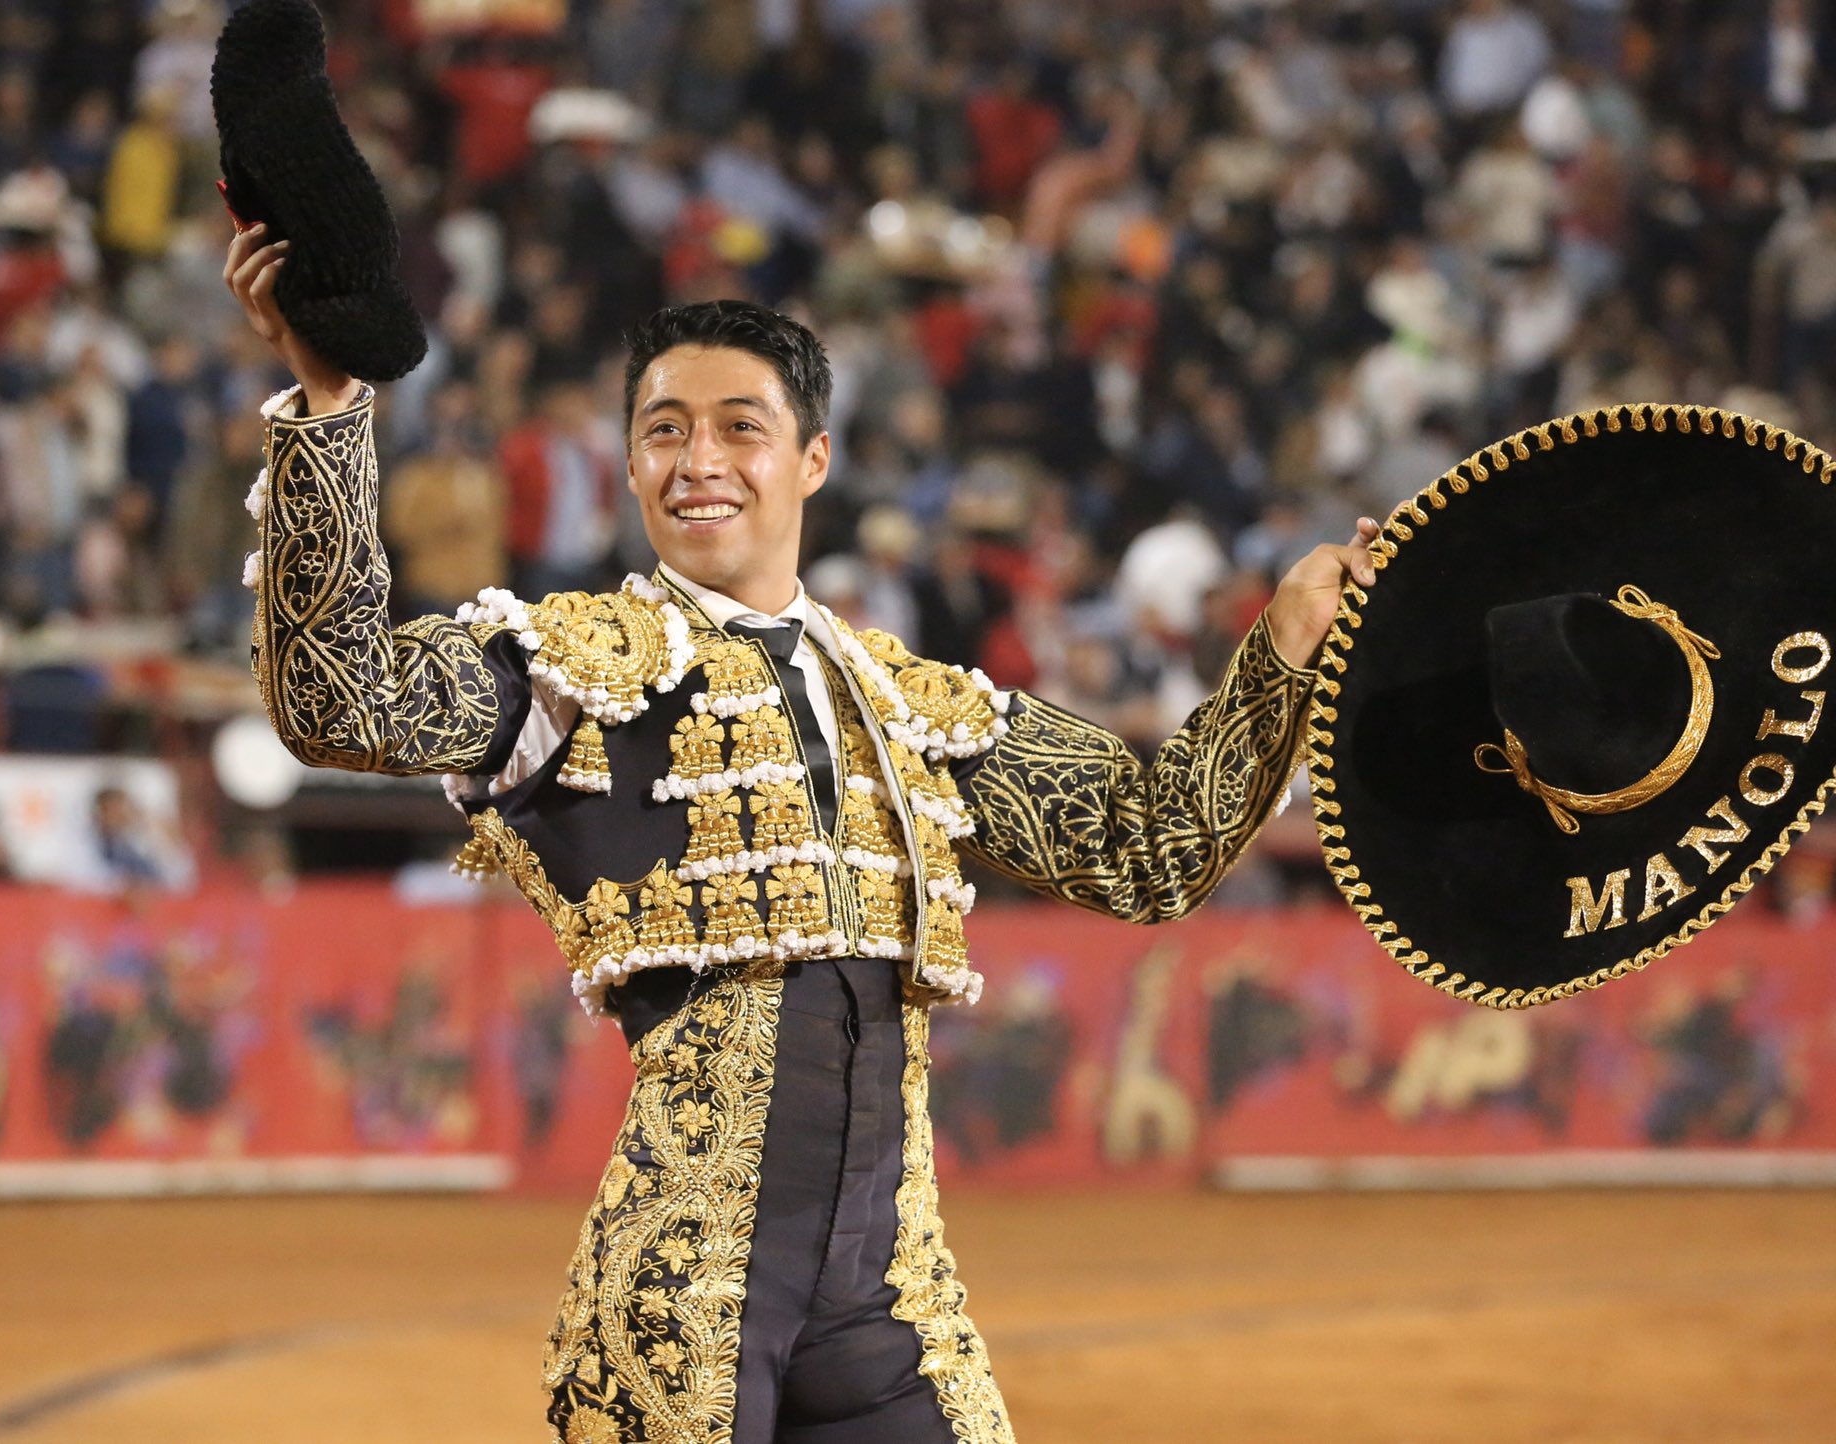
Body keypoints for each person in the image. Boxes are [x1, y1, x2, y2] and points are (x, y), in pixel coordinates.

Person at [227, 223, 1376, 1444]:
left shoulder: (906, 701)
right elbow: (340, 699)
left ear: (812, 459)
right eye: (662, 430)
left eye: (738, 426)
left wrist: (1285, 646)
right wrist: (330, 404)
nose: (697, 459)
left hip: (893, 1302)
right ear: (625, 465)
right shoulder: (572, 670)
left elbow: (1151, 849)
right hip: (681, 1300)